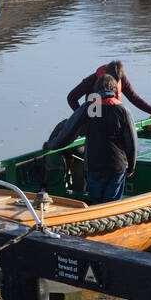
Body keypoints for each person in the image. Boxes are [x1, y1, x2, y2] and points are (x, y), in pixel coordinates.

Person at [46, 74, 137, 204]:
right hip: (116, 164)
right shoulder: (122, 110)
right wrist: (131, 167)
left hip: (94, 164)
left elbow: (68, 132)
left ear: (96, 89)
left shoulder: (88, 108)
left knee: (97, 202)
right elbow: (131, 142)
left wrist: (51, 145)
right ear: (114, 90)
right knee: (111, 204)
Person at [67, 60, 151, 127]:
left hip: (112, 119)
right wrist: (82, 117)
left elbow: (133, 97)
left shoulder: (122, 78)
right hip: (94, 120)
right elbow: (71, 97)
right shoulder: (92, 80)